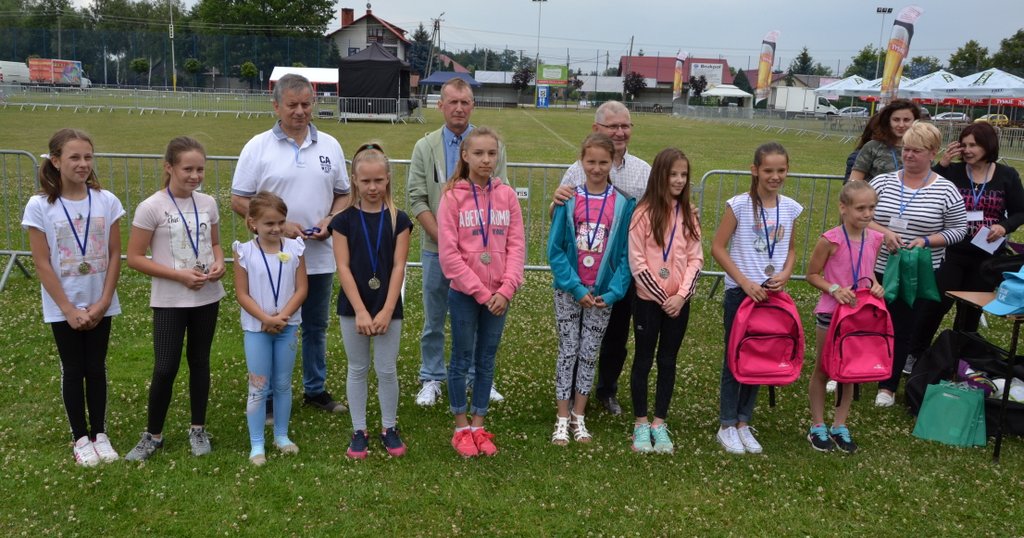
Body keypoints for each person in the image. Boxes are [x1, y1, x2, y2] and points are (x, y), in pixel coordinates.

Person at [231, 73, 350, 416]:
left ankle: (315, 389)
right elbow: (239, 200)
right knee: (272, 323)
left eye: (306, 104)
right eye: (292, 105)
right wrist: (281, 228)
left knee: (315, 327)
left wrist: (331, 220)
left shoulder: (330, 145)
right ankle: (267, 396)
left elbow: (343, 194)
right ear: (276, 106)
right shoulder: (258, 147)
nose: (300, 111)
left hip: (319, 255)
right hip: (272, 258)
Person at [22, 128, 124, 466]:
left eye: (88, 157)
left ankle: (100, 435)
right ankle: (80, 438)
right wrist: (67, 309)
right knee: (73, 368)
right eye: (74, 157)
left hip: (100, 301)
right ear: (55, 161)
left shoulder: (107, 200)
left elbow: (114, 253)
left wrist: (104, 302)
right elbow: (42, 262)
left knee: (96, 367)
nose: (83, 164)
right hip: (62, 306)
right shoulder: (40, 206)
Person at [408, 77, 508, 407]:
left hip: (482, 253)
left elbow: (502, 192)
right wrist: (448, 241)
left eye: (465, 102)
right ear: (440, 105)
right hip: (437, 250)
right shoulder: (425, 147)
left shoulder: (491, 145)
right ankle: (432, 376)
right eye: (453, 102)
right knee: (434, 317)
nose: (459, 108)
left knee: (480, 317)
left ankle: (478, 377)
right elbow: (417, 198)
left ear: (473, 105)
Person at [125, 136, 226, 461]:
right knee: (166, 367)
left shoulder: (208, 203)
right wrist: (179, 275)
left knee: (200, 362)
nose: (195, 176)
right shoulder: (151, 207)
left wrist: (219, 263)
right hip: (170, 299)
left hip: (206, 297)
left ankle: (198, 429)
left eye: (200, 169)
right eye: (188, 169)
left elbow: (215, 244)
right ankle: (153, 435)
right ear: (169, 168)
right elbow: (135, 257)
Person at [552, 100, 652, 416]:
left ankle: (606, 390)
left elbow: (658, 209)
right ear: (597, 128)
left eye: (625, 126)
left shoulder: (643, 171)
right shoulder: (576, 170)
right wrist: (555, 200)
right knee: (574, 340)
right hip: (581, 273)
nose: (620, 132)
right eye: (613, 126)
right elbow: (560, 217)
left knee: (615, 336)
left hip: (620, 270)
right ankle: (569, 394)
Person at [907, 122, 1024, 373]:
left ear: (988, 146)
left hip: (986, 256)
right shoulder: (953, 171)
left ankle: (961, 358)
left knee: (971, 310)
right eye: (964, 145)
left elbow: (1020, 211)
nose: (968, 150)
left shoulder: (1007, 175)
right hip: (951, 250)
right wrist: (942, 166)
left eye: (974, 145)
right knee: (934, 303)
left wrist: (1004, 226)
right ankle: (915, 353)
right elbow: (925, 190)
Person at [438, 127, 525, 457]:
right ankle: (460, 426)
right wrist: (481, 293)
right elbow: (449, 256)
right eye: (478, 153)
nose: (486, 160)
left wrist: (507, 288)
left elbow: (517, 247)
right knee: (461, 358)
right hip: (466, 294)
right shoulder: (452, 197)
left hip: (499, 296)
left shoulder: (508, 196)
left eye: (491, 153)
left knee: (486, 359)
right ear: (465, 156)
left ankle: (478, 424)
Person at [711, 142, 803, 455]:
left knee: (759, 357)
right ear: (755, 170)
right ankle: (726, 423)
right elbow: (718, 247)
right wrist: (744, 282)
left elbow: (791, 250)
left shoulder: (790, 208)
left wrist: (786, 273)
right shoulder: (738, 205)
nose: (775, 176)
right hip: (742, 293)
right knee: (735, 357)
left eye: (781, 170)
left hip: (772, 295)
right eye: (768, 170)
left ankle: (743, 422)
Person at [867, 121, 967, 407]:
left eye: (917, 151)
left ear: (933, 153)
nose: (909, 155)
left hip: (916, 271)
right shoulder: (882, 182)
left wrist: (926, 241)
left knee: (902, 328)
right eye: (906, 149)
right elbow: (859, 216)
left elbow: (959, 229)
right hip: (876, 267)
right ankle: (850, 371)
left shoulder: (946, 190)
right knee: (866, 321)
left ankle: (888, 386)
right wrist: (884, 233)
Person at [546, 134, 635, 446]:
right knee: (568, 350)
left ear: (612, 163)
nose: (597, 168)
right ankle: (561, 417)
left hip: (601, 295)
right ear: (581, 162)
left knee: (588, 353)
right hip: (569, 291)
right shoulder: (568, 200)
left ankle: (579, 415)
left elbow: (625, 255)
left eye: (603, 162)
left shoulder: (624, 203)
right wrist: (573, 286)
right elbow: (555, 250)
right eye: (591, 162)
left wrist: (612, 293)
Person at [331, 144, 413, 459]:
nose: (373, 187)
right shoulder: (343, 221)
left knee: (386, 369)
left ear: (388, 178)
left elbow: (399, 266)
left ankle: (389, 427)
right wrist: (361, 311)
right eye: (365, 181)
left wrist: (388, 309)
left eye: (379, 180)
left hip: (388, 305)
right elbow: (343, 267)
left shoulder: (399, 219)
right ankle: (359, 429)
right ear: (354, 180)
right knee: (357, 367)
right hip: (354, 307)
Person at [626, 147, 703, 454]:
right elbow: (637, 262)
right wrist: (662, 297)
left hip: (678, 304)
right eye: (673, 174)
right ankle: (641, 423)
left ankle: (659, 422)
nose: (679, 180)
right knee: (644, 360)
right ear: (659, 175)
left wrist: (681, 296)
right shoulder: (642, 214)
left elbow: (696, 259)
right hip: (649, 302)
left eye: (684, 175)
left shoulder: (689, 215)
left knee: (668, 360)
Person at [804, 181, 885, 453]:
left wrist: (876, 286)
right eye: (860, 208)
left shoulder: (875, 239)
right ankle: (817, 425)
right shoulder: (830, 240)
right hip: (831, 313)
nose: (867, 214)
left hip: (859, 315)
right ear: (843, 208)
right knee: (823, 369)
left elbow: (868, 272)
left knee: (849, 372)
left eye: (871, 208)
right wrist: (834, 289)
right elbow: (812, 274)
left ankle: (840, 425)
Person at [233, 191, 308, 466]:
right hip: (257, 328)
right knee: (258, 386)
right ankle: (257, 443)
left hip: (287, 327)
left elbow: (302, 289)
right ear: (253, 223)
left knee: (283, 384)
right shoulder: (244, 251)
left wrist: (282, 317)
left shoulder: (295, 248)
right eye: (269, 223)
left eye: (280, 222)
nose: (276, 228)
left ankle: (281, 435)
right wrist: (265, 318)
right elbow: (242, 294)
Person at [847, 99, 920, 182]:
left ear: (915, 121)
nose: (901, 125)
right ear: (888, 121)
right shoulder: (873, 147)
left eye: (906, 120)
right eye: (896, 120)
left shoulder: (923, 147)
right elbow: (854, 181)